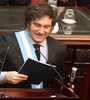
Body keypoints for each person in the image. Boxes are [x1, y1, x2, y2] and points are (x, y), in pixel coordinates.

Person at [0, 1, 68, 89]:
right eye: (37, 25)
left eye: (46, 26)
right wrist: (5, 76)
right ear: (27, 23)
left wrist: (66, 87)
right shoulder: (5, 41)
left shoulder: (59, 48)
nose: (41, 31)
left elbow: (59, 79)